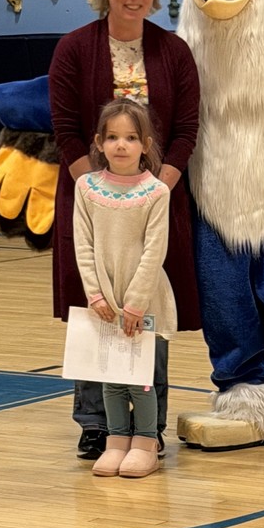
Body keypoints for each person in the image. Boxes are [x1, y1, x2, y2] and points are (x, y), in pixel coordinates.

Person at [49, 0, 200, 461]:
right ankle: (96, 425)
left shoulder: (174, 52)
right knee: (94, 311)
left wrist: (155, 191)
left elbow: (185, 131)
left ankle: (147, 429)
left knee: (146, 310)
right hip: (92, 206)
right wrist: (98, 191)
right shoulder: (73, 48)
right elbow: (67, 131)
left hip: (156, 206)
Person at [73, 99, 176, 478]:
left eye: (131, 137)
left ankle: (146, 442)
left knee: (141, 379)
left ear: (145, 145)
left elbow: (154, 250)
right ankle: (117, 441)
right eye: (113, 137)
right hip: (104, 302)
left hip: (144, 303)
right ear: (99, 142)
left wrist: (135, 304)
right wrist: (95, 294)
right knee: (112, 379)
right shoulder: (86, 188)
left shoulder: (155, 192)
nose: (121, 145)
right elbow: (82, 243)